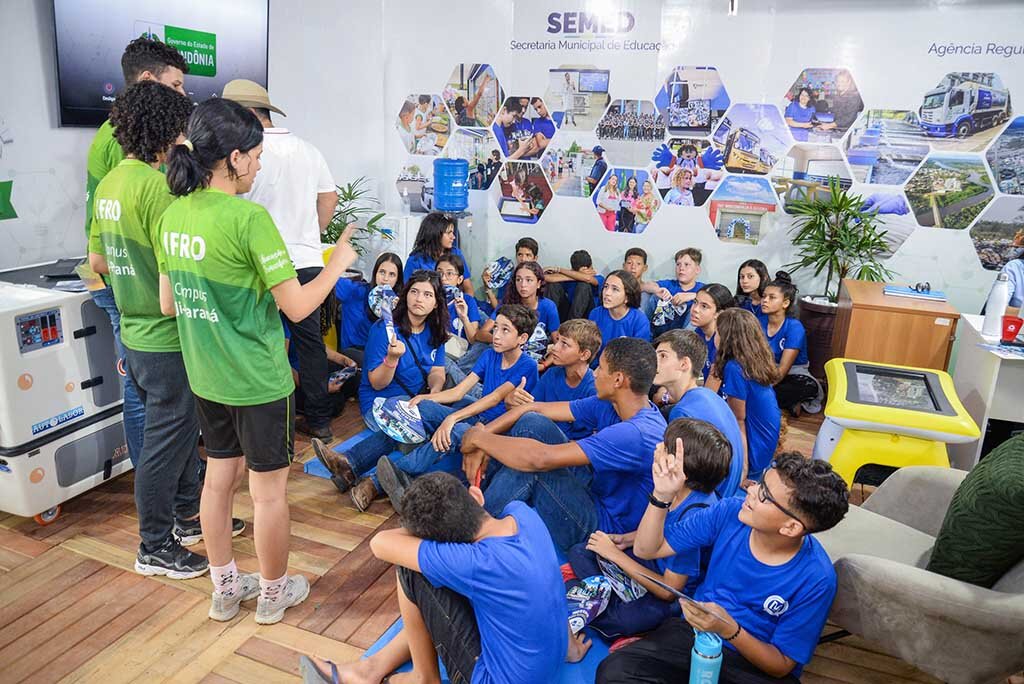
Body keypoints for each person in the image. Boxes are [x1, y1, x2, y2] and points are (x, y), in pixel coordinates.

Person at [158, 98, 358, 624]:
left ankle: (225, 588)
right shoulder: (250, 220)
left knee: (217, 481)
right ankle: (272, 593)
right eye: (255, 155)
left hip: (206, 376)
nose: (260, 165)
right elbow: (297, 306)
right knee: (268, 495)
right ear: (233, 159)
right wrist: (336, 264)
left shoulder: (172, 214)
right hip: (258, 380)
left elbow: (166, 302)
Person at [87, 81, 209, 579]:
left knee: (175, 439)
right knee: (165, 446)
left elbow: (97, 259)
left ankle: (186, 520)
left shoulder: (112, 183)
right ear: (168, 130)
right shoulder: (158, 190)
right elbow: (173, 276)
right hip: (166, 338)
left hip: (133, 333)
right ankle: (154, 545)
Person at [300, 472, 578, 684]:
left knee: (411, 569)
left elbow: (382, 543)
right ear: (476, 495)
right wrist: (570, 647)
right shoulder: (522, 513)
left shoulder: (476, 563)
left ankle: (423, 677)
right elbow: (550, 578)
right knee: (449, 577)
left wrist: (425, 534)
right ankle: (372, 667)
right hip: (552, 660)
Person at [600, 453, 849, 683]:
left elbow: (781, 665)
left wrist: (729, 629)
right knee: (614, 673)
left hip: (754, 664)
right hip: (695, 635)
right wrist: (662, 496)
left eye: (764, 495)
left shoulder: (817, 578)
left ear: (791, 527)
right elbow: (647, 550)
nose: (751, 491)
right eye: (759, 483)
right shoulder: (730, 511)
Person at [85, 36, 188, 469]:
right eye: (177, 85)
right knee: (148, 396)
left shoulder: (124, 146)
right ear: (149, 82)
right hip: (132, 281)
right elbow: (128, 223)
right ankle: (158, 486)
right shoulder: (125, 147)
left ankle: (168, 486)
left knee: (153, 396)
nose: (183, 95)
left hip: (126, 274)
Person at [459, 337, 667, 551]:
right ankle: (473, 497)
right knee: (532, 423)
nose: (594, 373)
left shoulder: (636, 433)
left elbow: (539, 459)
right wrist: (482, 437)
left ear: (618, 380)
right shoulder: (612, 403)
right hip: (593, 489)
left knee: (532, 467)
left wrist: (478, 438)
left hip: (602, 528)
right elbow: (533, 410)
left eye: (601, 368)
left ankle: (469, 535)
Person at [224, 79, 341, 441]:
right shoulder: (308, 149)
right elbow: (329, 199)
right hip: (306, 261)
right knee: (310, 344)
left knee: (257, 342)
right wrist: (309, 235)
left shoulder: (240, 154)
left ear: (244, 116)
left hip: (256, 265)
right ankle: (319, 422)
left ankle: (269, 425)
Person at [565, 418, 730, 638]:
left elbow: (669, 591)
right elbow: (661, 531)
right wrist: (628, 540)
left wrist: (614, 555)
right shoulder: (673, 489)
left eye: (665, 447)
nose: (658, 448)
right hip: (652, 562)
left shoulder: (695, 516)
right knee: (581, 551)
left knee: (628, 619)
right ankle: (613, 592)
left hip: (672, 592)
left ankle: (605, 596)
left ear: (680, 468)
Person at [314, 272, 449, 511]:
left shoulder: (436, 331)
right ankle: (370, 481)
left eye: (428, 294)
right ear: (406, 294)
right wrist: (392, 359)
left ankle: (351, 467)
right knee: (416, 431)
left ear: (436, 301)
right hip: (380, 401)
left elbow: (437, 371)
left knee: (425, 429)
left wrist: (434, 393)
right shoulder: (384, 329)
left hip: (416, 400)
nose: (419, 299)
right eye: (415, 292)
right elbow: (377, 383)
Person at [375, 304, 540, 495]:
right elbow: (459, 391)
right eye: (496, 327)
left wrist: (451, 419)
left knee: (456, 428)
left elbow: (494, 398)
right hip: (477, 418)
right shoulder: (490, 355)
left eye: (505, 330)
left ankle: (389, 476)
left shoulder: (528, 365)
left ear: (522, 338)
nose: (496, 335)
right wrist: (425, 397)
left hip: (497, 431)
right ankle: (366, 466)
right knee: (422, 407)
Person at [654, 330, 746, 498]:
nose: (654, 361)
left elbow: (682, 475)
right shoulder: (708, 396)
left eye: (663, 356)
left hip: (708, 501)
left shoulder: (683, 413)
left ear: (684, 364)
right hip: (727, 492)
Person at [710, 309, 781, 481]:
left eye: (717, 331)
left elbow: (738, 422)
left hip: (753, 449)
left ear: (727, 338)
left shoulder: (735, 368)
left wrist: (742, 470)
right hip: (765, 445)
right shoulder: (752, 361)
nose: (714, 336)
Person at [760, 272, 822, 416]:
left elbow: (783, 369)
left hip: (793, 373)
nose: (765, 300)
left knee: (802, 387)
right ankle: (788, 404)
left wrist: (761, 389)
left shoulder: (794, 327)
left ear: (786, 303)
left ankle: (781, 401)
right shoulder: (759, 322)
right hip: (766, 371)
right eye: (764, 296)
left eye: (771, 297)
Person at [476, 261, 560, 362]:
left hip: (534, 358)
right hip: (507, 355)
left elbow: (558, 344)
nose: (523, 285)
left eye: (529, 280)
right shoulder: (507, 304)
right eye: (518, 279)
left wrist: (545, 365)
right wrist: (505, 341)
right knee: (484, 349)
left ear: (538, 284)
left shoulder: (548, 306)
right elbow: (481, 334)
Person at [332, 252, 404, 367]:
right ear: (375, 273)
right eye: (382, 272)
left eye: (392, 275)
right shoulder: (355, 291)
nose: (385, 279)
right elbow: (327, 279)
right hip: (354, 354)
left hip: (385, 354)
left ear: (397, 279)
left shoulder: (400, 303)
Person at [533, 319, 601, 439]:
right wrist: (513, 403)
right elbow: (532, 407)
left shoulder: (594, 389)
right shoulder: (551, 374)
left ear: (584, 355)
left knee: (528, 422)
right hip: (542, 439)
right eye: (557, 340)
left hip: (573, 449)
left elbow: (596, 438)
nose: (554, 348)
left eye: (564, 344)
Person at [589, 270, 652, 366]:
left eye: (615, 289)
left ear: (627, 297)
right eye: (606, 287)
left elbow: (639, 358)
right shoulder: (596, 314)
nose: (607, 293)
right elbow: (590, 350)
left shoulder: (640, 321)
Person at [405, 211, 474, 296]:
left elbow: (468, 289)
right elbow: (407, 292)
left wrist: (467, 305)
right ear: (435, 234)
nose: (453, 237)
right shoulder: (415, 260)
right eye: (449, 233)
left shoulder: (456, 253)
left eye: (453, 232)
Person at [644, 248, 705, 334]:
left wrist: (692, 296)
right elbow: (643, 286)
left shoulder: (702, 289)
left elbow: (718, 298)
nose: (681, 268)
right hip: (658, 333)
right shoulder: (669, 284)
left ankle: (683, 343)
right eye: (678, 264)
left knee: (699, 306)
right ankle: (644, 336)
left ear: (697, 269)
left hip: (682, 337)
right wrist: (657, 290)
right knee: (646, 295)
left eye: (687, 264)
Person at [688, 283, 736, 389]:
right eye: (695, 302)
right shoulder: (699, 332)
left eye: (704, 306)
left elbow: (710, 394)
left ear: (719, 313)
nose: (695, 309)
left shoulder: (722, 342)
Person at [545, 249, 603, 321]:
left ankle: (571, 326)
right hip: (567, 313)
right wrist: (577, 276)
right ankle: (548, 323)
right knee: (553, 285)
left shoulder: (599, 277)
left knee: (584, 285)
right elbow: (546, 278)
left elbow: (588, 279)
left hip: (586, 316)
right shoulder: (569, 275)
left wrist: (559, 269)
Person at [482, 236, 537, 311]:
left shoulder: (540, 278)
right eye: (520, 255)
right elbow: (498, 308)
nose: (523, 259)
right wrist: (488, 286)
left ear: (535, 258)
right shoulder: (507, 276)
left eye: (528, 255)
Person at [735, 258, 770, 323]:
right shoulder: (739, 303)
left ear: (764, 278)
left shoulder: (771, 302)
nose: (744, 281)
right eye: (742, 277)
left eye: (750, 276)